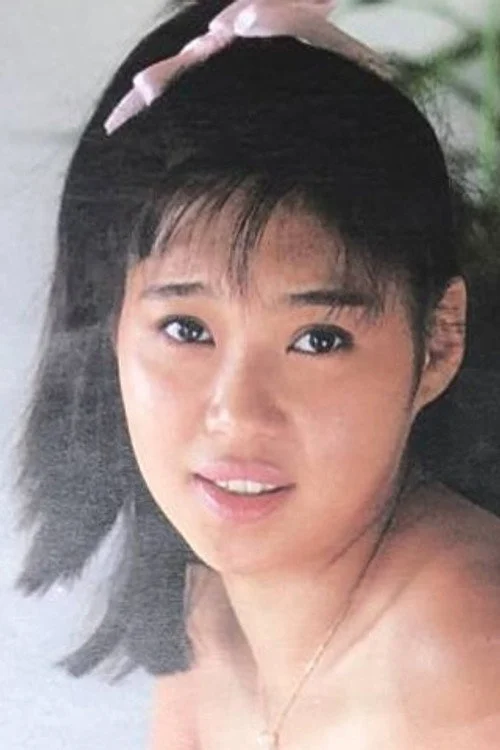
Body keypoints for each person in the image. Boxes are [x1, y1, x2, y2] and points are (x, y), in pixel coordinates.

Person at [15, 0, 500, 747]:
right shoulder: (207, 612)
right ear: (109, 325)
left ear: (437, 342)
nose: (238, 413)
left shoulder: (465, 655)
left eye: (318, 339)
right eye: (187, 330)